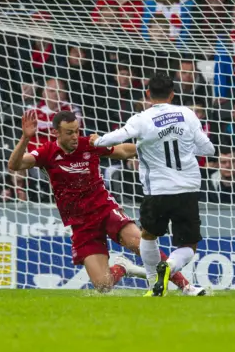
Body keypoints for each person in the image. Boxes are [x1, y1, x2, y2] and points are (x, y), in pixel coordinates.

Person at [8, 110, 204, 295]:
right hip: (80, 223)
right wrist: (26, 138)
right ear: (56, 132)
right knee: (103, 285)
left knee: (140, 244)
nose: (75, 136)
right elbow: (14, 165)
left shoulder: (89, 145)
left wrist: (152, 147)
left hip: (105, 209)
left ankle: (187, 287)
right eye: (69, 133)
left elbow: (122, 151)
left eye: (77, 131)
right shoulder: (47, 152)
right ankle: (123, 267)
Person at [90, 74, 215, 297]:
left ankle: (153, 283)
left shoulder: (141, 119)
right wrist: (186, 148)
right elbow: (208, 150)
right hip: (187, 189)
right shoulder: (187, 114)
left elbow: (118, 136)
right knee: (189, 245)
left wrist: (97, 141)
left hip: (156, 191)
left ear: (148, 94)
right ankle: (169, 267)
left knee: (148, 235)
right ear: (173, 94)